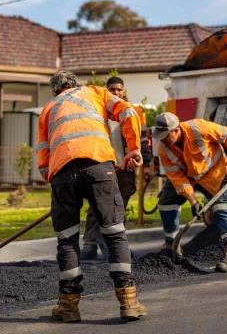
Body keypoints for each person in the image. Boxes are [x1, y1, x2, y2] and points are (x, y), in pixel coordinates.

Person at [36, 70, 147, 323]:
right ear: (77, 84)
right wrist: (133, 149)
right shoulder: (96, 92)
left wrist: (57, 184)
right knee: (114, 232)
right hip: (99, 167)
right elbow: (128, 112)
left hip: (62, 174)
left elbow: (43, 156)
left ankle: (69, 307)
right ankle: (128, 302)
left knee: (66, 240)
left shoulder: (48, 108)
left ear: (56, 91)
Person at [152, 112, 227, 272]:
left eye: (166, 135)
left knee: (222, 208)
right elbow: (177, 178)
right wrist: (193, 202)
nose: (163, 139)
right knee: (166, 203)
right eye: (160, 136)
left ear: (176, 130)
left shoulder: (200, 128)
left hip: (213, 174)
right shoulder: (163, 148)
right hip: (187, 176)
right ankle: (172, 246)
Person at [80, 76, 152, 260]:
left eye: (119, 89)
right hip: (102, 166)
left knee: (119, 207)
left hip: (125, 167)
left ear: (124, 91)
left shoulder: (133, 110)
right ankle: (89, 246)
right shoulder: (98, 111)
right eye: (112, 89)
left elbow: (143, 139)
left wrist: (146, 162)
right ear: (106, 91)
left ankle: (117, 246)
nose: (116, 92)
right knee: (95, 206)